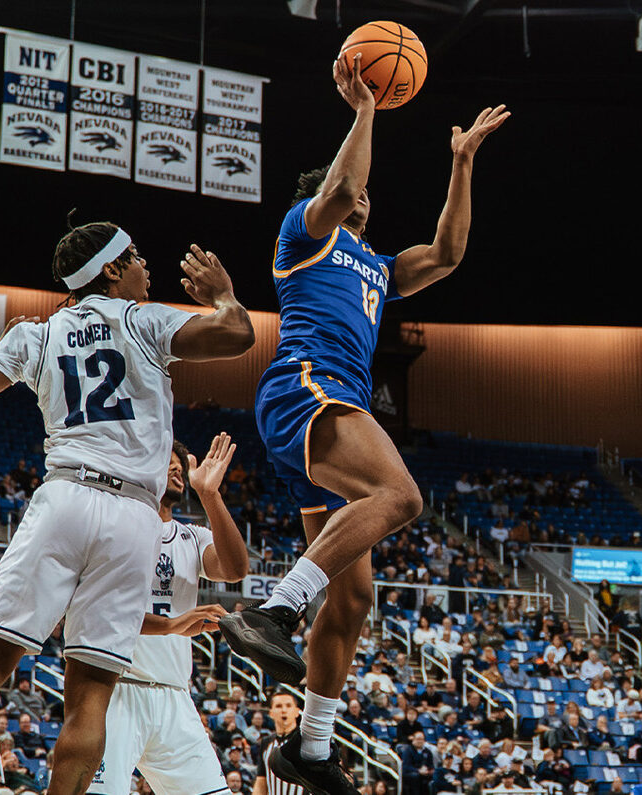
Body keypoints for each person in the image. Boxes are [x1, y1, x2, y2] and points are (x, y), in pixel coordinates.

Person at [218, 52, 509, 795]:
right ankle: (275, 609)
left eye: (369, 195)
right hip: (308, 393)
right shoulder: (304, 235)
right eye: (354, 192)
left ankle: (308, 750)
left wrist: (463, 163)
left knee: (353, 598)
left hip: (331, 409)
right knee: (404, 497)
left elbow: (447, 253)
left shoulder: (377, 264)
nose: (364, 198)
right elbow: (344, 182)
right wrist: (366, 110)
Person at [0, 218, 255, 795]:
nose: (144, 266)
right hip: (134, 517)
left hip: (68, 495)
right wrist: (224, 293)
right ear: (109, 269)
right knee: (92, 690)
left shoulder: (41, 334)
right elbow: (237, 335)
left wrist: (12, 344)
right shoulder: (145, 320)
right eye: (135, 256)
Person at [86, 436, 249, 795]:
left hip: (175, 694)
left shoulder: (192, 537)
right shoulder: (114, 528)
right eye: (167, 465)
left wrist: (210, 494)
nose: (177, 470)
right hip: (118, 692)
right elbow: (107, 612)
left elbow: (236, 569)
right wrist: (175, 624)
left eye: (180, 467)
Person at [250, 692, 303, 795]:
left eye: (288, 706)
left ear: (297, 712)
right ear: (271, 713)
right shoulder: (266, 743)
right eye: (279, 706)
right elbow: (261, 781)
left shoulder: (305, 741)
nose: (284, 710)